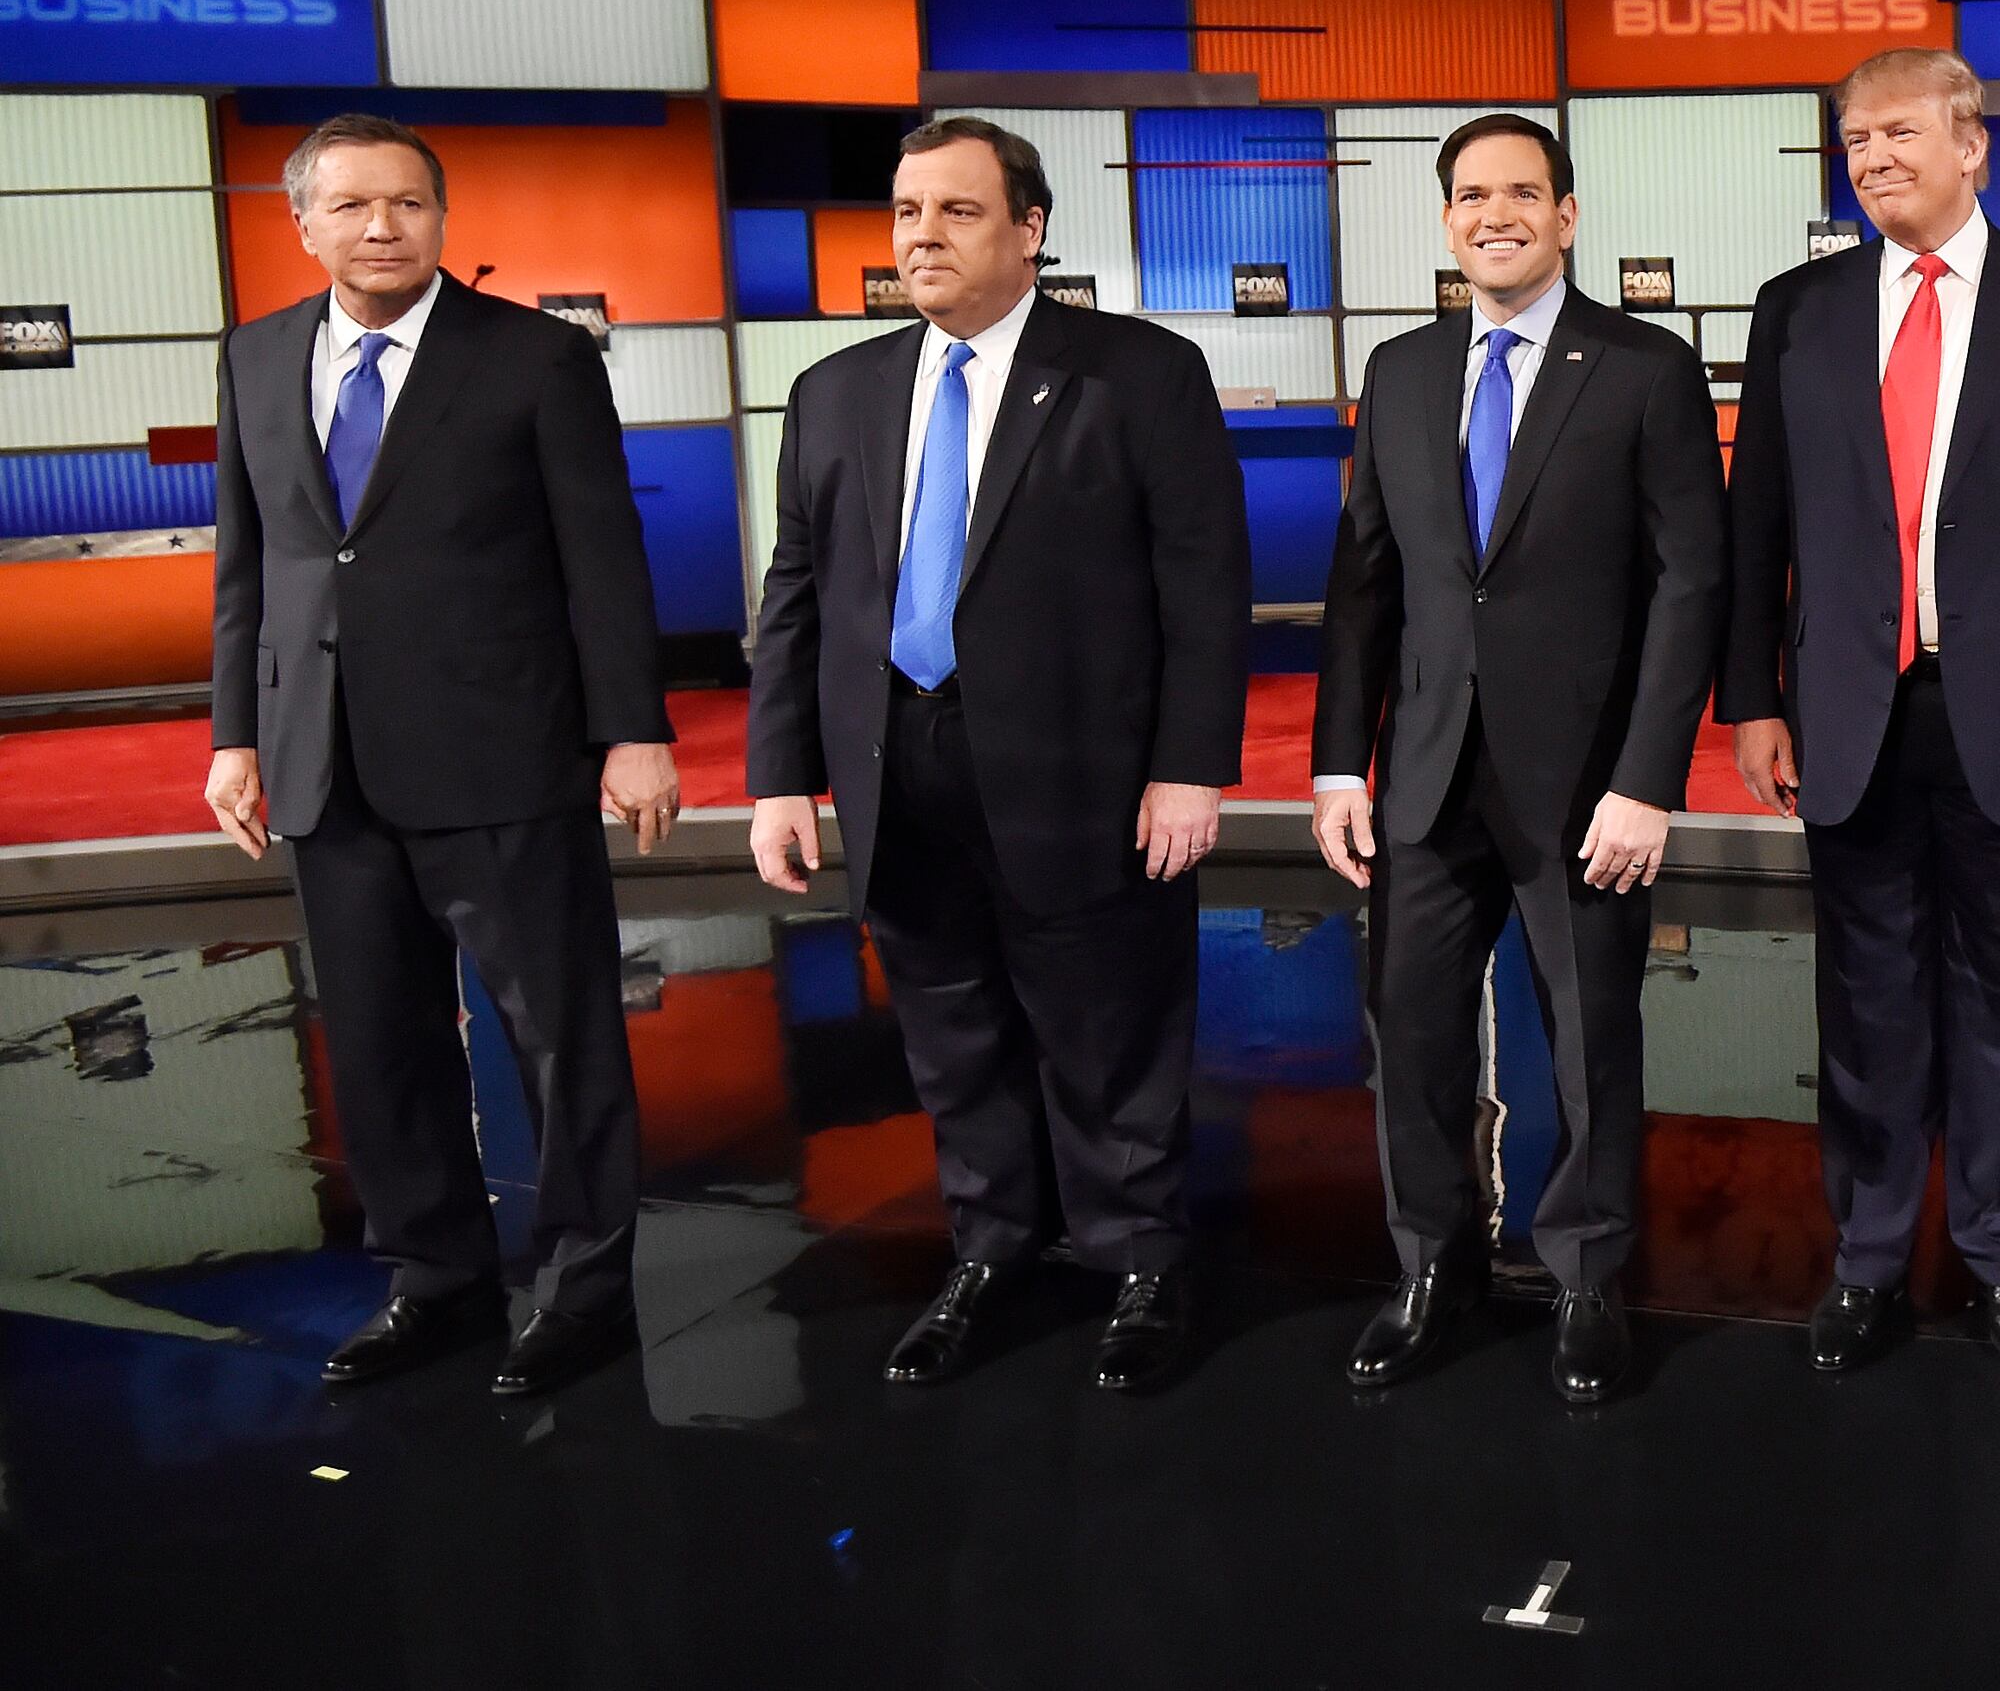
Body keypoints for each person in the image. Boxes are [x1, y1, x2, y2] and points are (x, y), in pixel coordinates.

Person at [745, 116, 1251, 1395]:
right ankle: (993, 1245)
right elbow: (796, 591)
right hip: (896, 769)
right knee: (952, 1031)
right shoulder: (836, 391)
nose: (923, 234)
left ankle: (1140, 1259)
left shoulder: (1137, 373)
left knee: (1108, 1031)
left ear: (1030, 230)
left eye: (958, 212)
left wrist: (1191, 765)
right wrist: (777, 773)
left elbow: (1203, 582)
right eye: (909, 211)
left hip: (1085, 772)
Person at [206, 113, 680, 1400]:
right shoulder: (254, 359)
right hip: (322, 759)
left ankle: (586, 1295)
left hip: (501, 755)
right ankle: (438, 1281)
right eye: (353, 206)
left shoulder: (534, 359)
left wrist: (633, 731)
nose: (382, 227)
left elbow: (601, 560)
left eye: (409, 204)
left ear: (441, 218)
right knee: (378, 1040)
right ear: (301, 221)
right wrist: (234, 737)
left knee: (560, 1036)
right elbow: (250, 568)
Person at [1722, 47, 2000, 1375]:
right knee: (1864, 1004)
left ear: (1976, 144)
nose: (1872, 159)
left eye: (1898, 132)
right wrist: (1752, 698)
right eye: (1854, 141)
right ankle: (1864, 1256)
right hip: (1854, 710)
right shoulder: (1796, 308)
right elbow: (1760, 528)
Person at [1311, 113, 1728, 1406]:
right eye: (1471, 194)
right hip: (1425, 773)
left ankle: (1590, 1277)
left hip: (1589, 782)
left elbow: (1690, 583)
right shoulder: (1399, 371)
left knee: (1590, 1038)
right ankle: (1435, 1267)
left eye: (1522, 193)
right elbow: (1364, 584)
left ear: (1568, 214)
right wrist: (1338, 764)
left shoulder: (1647, 369)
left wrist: (1651, 777)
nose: (1496, 213)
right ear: (1446, 219)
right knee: (1414, 1034)